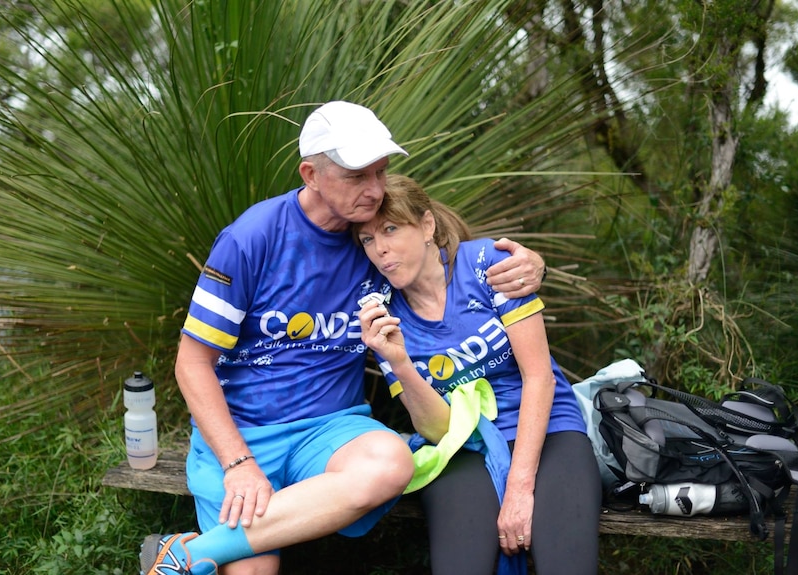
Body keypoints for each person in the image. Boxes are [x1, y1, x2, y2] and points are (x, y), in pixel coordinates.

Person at [139, 101, 547, 575]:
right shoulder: (251, 238)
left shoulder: (375, 242)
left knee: (390, 463)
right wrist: (238, 464)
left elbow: (444, 266)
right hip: (244, 433)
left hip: (331, 430)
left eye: (381, 172)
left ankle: (185, 555)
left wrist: (531, 267)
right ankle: (213, 544)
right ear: (310, 174)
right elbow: (192, 363)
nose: (375, 191)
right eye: (357, 177)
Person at [355, 174, 601, 575]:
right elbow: (438, 430)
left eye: (391, 229)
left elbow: (540, 377)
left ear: (428, 225)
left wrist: (519, 488)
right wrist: (398, 361)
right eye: (367, 239)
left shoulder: (488, 265)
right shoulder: (382, 314)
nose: (380, 249)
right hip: (462, 445)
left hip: (547, 426)